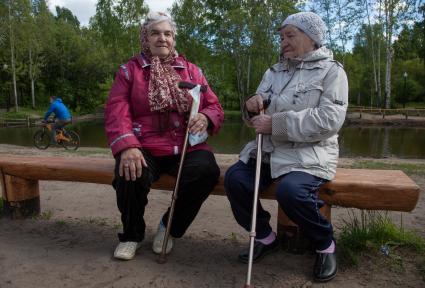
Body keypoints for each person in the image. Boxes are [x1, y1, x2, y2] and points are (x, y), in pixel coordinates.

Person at [224, 12, 348, 282]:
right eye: (281, 37)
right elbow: (256, 116)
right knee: (234, 179)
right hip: (268, 151)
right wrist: (251, 104)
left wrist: (276, 124)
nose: (283, 42)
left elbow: (330, 120)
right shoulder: (273, 71)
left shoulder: (332, 71)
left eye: (290, 35)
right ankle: (267, 237)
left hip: (309, 154)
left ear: (311, 38)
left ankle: (325, 244)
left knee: (291, 192)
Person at [104, 11, 224, 261]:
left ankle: (169, 227)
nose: (162, 38)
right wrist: (127, 146)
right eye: (155, 33)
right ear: (144, 39)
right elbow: (117, 111)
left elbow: (213, 106)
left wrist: (206, 118)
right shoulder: (129, 71)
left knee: (206, 171)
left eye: (167, 33)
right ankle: (131, 235)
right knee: (129, 172)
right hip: (144, 144)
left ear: (173, 39)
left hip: (186, 145)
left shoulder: (191, 71)